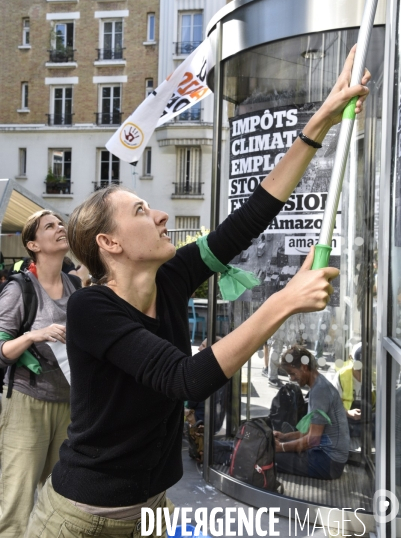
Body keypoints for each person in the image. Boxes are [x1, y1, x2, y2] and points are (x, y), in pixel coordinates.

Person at [25, 47, 370, 537]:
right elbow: (185, 380)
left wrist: (319, 123)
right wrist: (283, 301)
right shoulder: (91, 307)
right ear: (110, 243)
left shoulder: (172, 277)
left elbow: (250, 217)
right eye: (143, 211)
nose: (162, 215)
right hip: (83, 518)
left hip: (153, 510)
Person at [0, 210, 80, 538]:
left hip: (70, 406)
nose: (60, 228)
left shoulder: (75, 285)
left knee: (59, 497)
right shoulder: (20, 290)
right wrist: (34, 335)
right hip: (26, 404)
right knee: (17, 498)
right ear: (33, 244)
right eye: (50, 226)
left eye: (60, 223)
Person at [274, 346, 350, 480]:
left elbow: (312, 440)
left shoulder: (319, 391)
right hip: (329, 458)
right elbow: (311, 431)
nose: (291, 379)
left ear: (304, 367)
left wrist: (281, 448)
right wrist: (284, 437)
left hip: (329, 463)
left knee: (269, 457)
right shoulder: (319, 385)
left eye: (292, 373)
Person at [333, 342, 375, 438]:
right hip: (346, 419)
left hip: (369, 420)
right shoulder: (342, 376)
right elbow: (332, 406)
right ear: (350, 358)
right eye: (358, 368)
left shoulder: (375, 377)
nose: (360, 373)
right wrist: (348, 413)